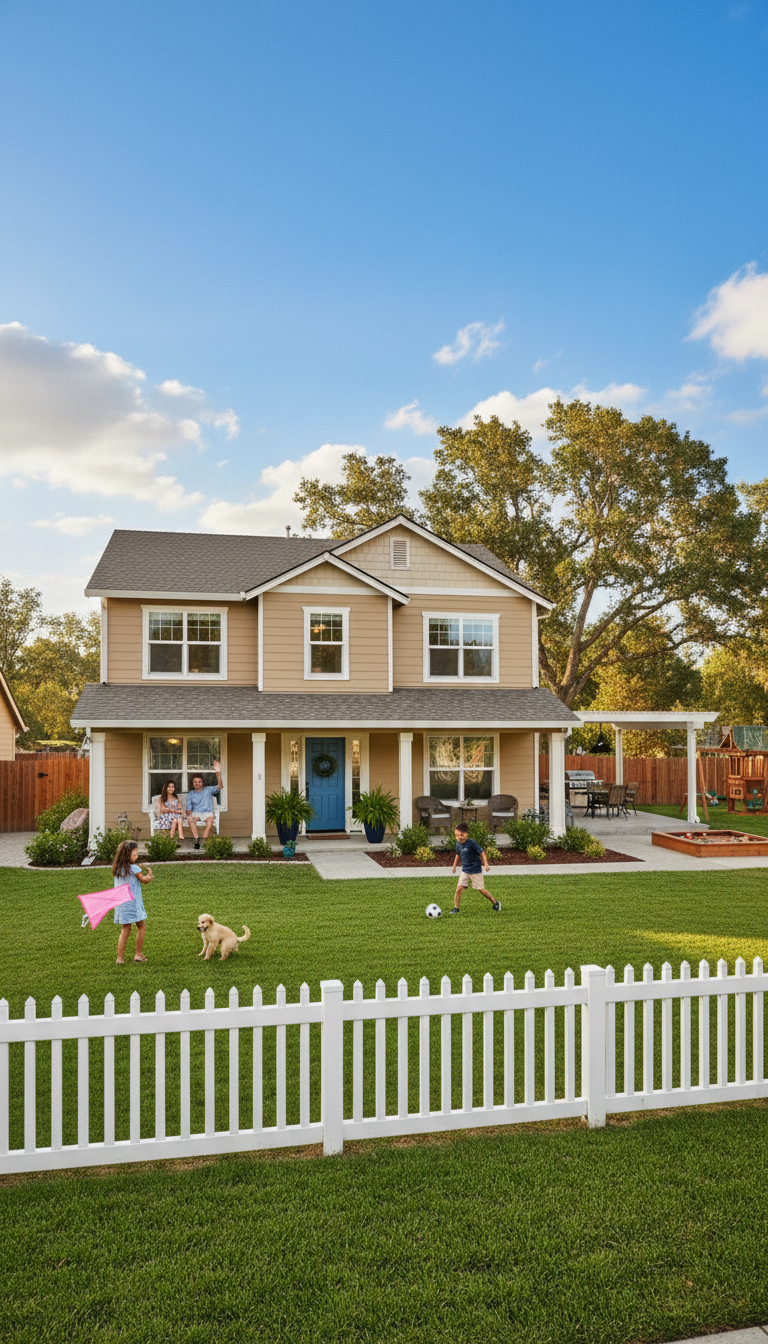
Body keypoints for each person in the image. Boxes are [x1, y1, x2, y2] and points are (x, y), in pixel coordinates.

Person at [113, 838, 153, 964]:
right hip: (133, 904)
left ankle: (120, 958)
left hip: (122, 904)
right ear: (127, 855)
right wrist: (150, 876)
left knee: (125, 929)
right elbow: (144, 880)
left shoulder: (118, 869)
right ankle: (138, 954)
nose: (137, 856)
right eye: (134, 854)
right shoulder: (134, 868)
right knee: (141, 926)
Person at [449, 821, 501, 913]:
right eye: (457, 835)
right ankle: (456, 908)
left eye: (461, 835)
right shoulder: (458, 844)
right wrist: (454, 866)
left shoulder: (472, 843)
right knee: (459, 888)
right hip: (465, 870)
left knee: (481, 890)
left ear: (467, 834)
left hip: (475, 870)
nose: (459, 837)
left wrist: (486, 864)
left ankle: (495, 902)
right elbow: (458, 854)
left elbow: (482, 853)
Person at [185, 759, 223, 848]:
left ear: (202, 783)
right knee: (190, 819)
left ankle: (204, 839)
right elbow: (189, 809)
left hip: (208, 813)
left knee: (210, 820)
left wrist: (218, 771)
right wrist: (188, 814)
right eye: (195, 782)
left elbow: (220, 786)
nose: (197, 783)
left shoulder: (208, 790)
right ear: (192, 783)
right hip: (196, 813)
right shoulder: (190, 794)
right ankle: (197, 840)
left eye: (199, 782)